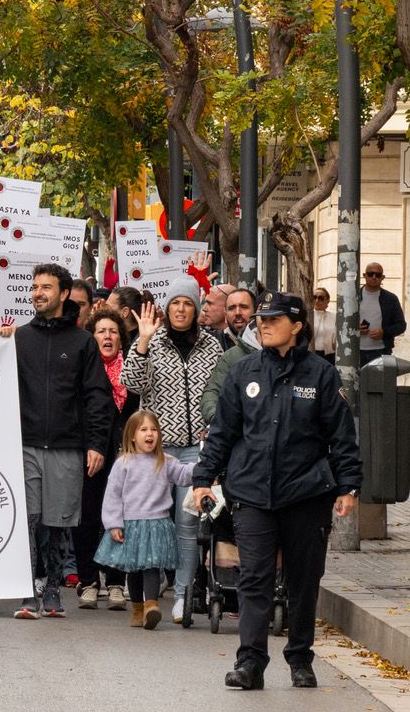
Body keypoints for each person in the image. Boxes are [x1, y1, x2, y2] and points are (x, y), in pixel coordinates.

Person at [194, 292, 361, 690]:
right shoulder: (243, 371)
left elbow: (342, 437)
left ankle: (300, 659)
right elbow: (223, 432)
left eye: (273, 320)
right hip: (252, 493)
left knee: (303, 580)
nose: (263, 325)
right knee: (255, 579)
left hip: (306, 494)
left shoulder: (321, 374)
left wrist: (349, 486)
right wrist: (203, 478)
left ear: (297, 326)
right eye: (261, 320)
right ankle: (250, 663)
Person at [0, 263, 114, 619]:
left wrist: (96, 444)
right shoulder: (18, 339)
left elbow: (97, 396)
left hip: (67, 446)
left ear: (64, 293)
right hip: (27, 444)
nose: (38, 293)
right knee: (29, 520)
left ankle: (52, 590)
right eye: (35, 287)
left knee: (59, 522)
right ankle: (28, 590)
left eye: (46, 287)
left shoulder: (83, 342)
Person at [120, 277, 224, 623]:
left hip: (195, 450)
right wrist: (142, 342)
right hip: (155, 451)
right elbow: (131, 382)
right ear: (166, 308)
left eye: (188, 303)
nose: (181, 309)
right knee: (149, 520)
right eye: (175, 303)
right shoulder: (152, 341)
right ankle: (148, 591)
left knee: (187, 525)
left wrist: (213, 429)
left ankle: (181, 596)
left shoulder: (212, 346)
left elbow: (220, 393)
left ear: (196, 309)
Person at [95, 410, 195, 630]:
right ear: (132, 436)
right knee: (134, 569)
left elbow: (183, 474)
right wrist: (114, 523)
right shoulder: (123, 463)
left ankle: (151, 606)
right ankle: (138, 610)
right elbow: (113, 495)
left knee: (152, 566)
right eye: (143, 430)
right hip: (131, 524)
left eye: (154, 430)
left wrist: (202, 468)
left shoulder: (165, 461)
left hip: (157, 524)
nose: (150, 434)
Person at [74, 308, 136, 611]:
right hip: (89, 451)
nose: (107, 336)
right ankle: (88, 581)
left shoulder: (131, 369)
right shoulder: (83, 368)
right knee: (87, 517)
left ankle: (115, 583)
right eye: (101, 331)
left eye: (113, 331)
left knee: (118, 517)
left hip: (123, 454)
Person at [200, 288, 261, 425]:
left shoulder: (274, 345)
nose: (238, 312)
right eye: (232, 308)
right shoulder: (228, 354)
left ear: (256, 310)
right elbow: (212, 394)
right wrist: (220, 421)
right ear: (225, 313)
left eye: (244, 307)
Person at [359, 262, 406, 364]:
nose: (374, 277)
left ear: (382, 277)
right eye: (370, 274)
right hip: (355, 351)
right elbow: (341, 323)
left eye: (378, 275)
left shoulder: (391, 299)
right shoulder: (353, 297)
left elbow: (401, 325)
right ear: (364, 275)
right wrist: (355, 329)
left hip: (381, 352)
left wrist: (384, 332)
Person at [311, 286, 336, 363]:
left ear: (327, 300)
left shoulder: (334, 317)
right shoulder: (308, 316)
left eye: (321, 298)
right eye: (314, 297)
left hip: (329, 355)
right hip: (312, 354)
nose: (317, 300)